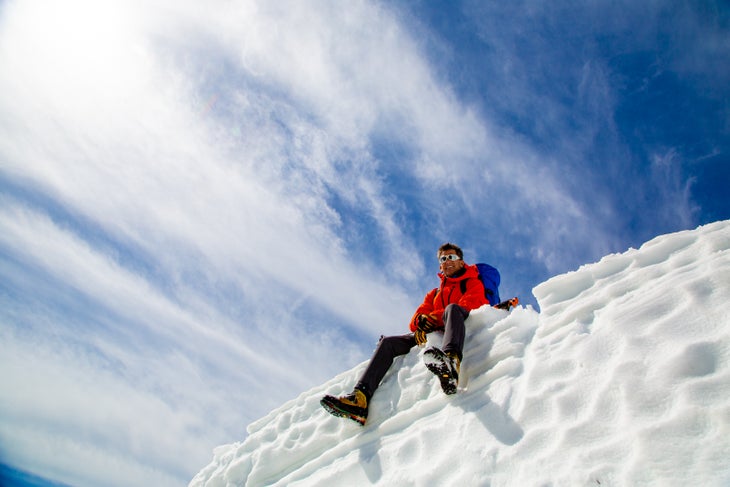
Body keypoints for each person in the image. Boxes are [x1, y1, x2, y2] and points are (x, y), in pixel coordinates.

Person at [320, 242, 490, 425]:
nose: (447, 261)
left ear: (461, 262)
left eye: (451, 257)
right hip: (432, 331)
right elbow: (415, 319)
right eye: (443, 259)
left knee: (452, 308)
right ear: (440, 265)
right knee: (388, 343)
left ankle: (451, 362)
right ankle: (359, 399)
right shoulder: (434, 294)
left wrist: (431, 319)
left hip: (455, 323)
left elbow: (472, 304)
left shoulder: (471, 282)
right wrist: (421, 323)